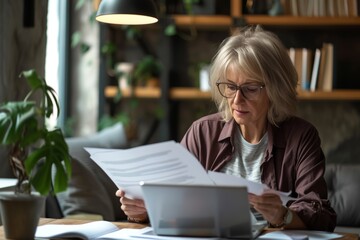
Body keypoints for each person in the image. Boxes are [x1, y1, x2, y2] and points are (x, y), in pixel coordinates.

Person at [116, 25, 337, 231]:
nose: (237, 100)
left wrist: (283, 215)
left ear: (276, 88)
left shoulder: (301, 137)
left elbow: (322, 216)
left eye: (250, 89)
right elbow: (170, 201)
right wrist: (142, 211)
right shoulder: (202, 132)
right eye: (230, 87)